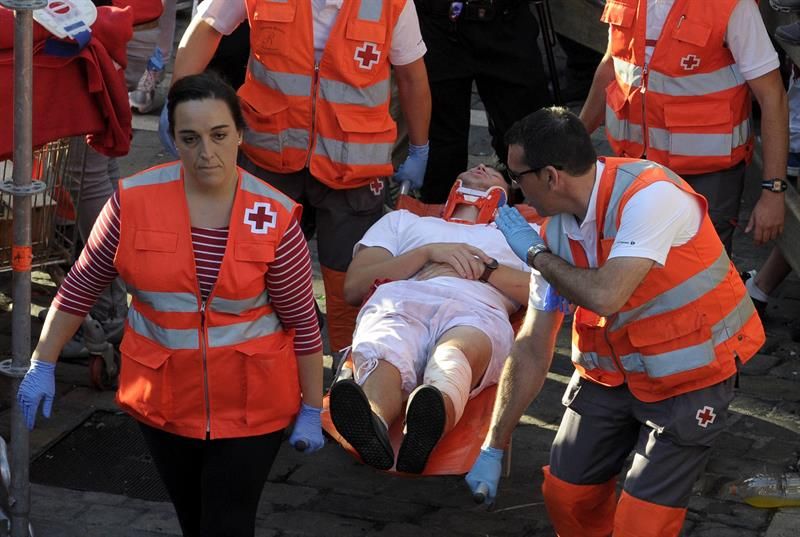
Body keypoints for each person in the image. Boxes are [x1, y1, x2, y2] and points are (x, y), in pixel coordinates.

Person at [17, 73, 325, 537]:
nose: (207, 152)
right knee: (193, 519)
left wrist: (311, 406)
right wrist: (43, 361)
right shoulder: (133, 202)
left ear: (240, 134)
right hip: (165, 403)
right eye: (190, 138)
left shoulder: (274, 217)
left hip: (252, 407)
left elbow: (302, 321)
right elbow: (81, 284)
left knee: (225, 524)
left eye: (219, 135)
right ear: (172, 141)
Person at [465, 108, 765, 536]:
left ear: (550, 176)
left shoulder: (649, 196)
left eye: (518, 177)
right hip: (611, 377)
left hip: (689, 376)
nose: (515, 189)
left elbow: (607, 296)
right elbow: (533, 342)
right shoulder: (552, 234)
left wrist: (535, 256)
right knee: (566, 496)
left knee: (641, 525)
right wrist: (494, 443)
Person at [165, 0, 432, 352]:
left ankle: (346, 375)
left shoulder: (392, 4)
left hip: (351, 168)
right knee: (254, 273)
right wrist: (179, 103)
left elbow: (412, 76)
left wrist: (419, 147)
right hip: (269, 156)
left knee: (349, 284)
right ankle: (264, 364)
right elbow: (207, 27)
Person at [329, 164, 535, 474]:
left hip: (476, 307)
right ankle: (373, 422)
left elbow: (547, 295)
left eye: (494, 172)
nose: (481, 167)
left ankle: (426, 424)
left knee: (452, 354)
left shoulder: (521, 237)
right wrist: (427, 254)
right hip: (401, 299)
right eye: (475, 166)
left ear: (508, 193)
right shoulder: (403, 222)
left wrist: (484, 270)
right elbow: (355, 286)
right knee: (387, 350)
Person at [579, 0, 788, 255]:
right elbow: (613, 64)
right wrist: (573, 137)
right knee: (637, 268)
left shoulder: (731, 5)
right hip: (634, 170)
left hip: (706, 180)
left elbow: (773, 97)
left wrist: (773, 192)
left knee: (703, 276)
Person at [414, 0, 552, 204]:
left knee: (530, 137)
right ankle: (439, 223)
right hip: (439, 23)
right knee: (441, 150)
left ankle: (536, 218)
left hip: (505, 20)